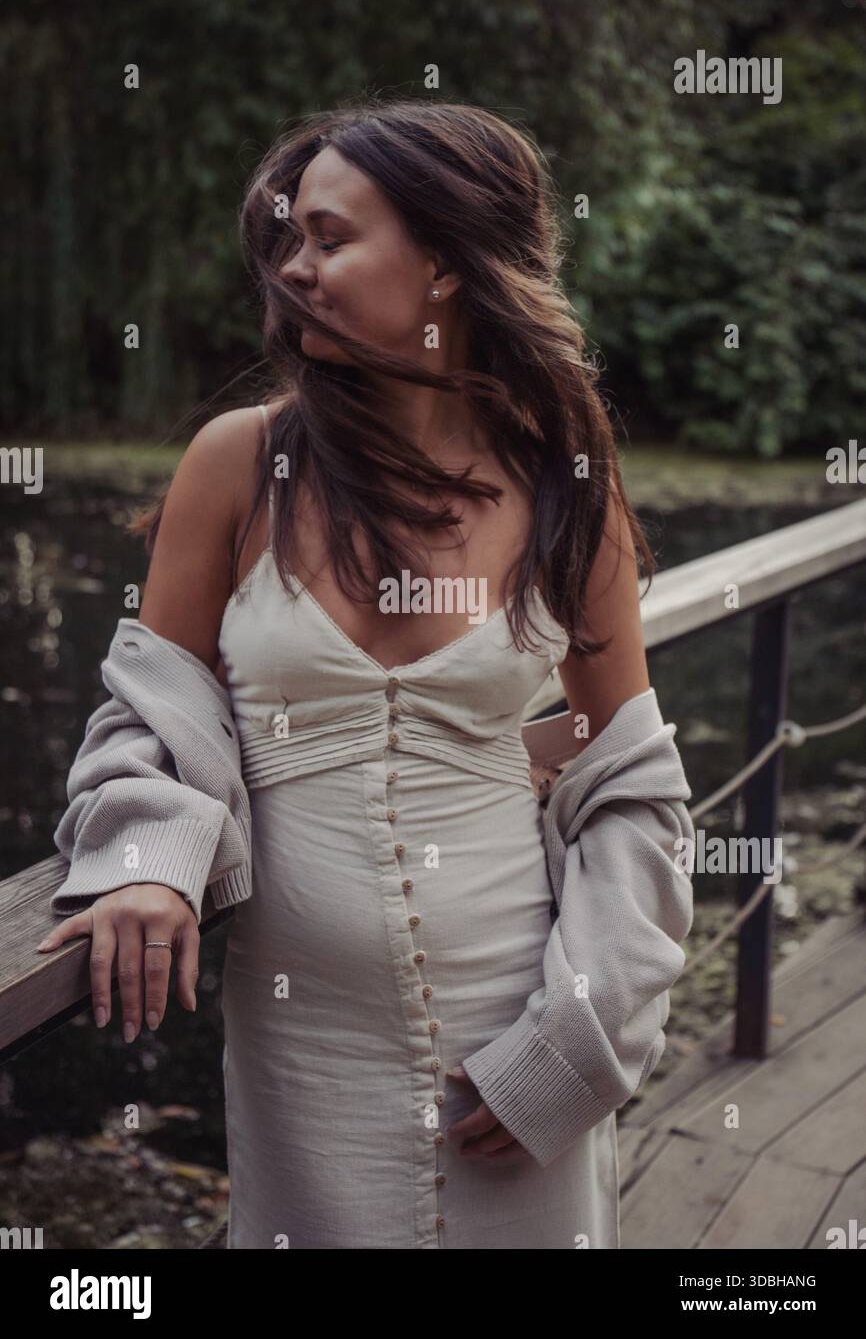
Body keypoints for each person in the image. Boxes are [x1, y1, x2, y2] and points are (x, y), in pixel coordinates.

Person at [39, 101, 693, 1248]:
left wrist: (575, 1037)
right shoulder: (241, 462)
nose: (294, 269)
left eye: (329, 239)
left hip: (520, 1025)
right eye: (286, 242)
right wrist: (144, 860)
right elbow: (154, 700)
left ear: (444, 262)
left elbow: (627, 776)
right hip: (304, 1043)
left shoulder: (563, 485)